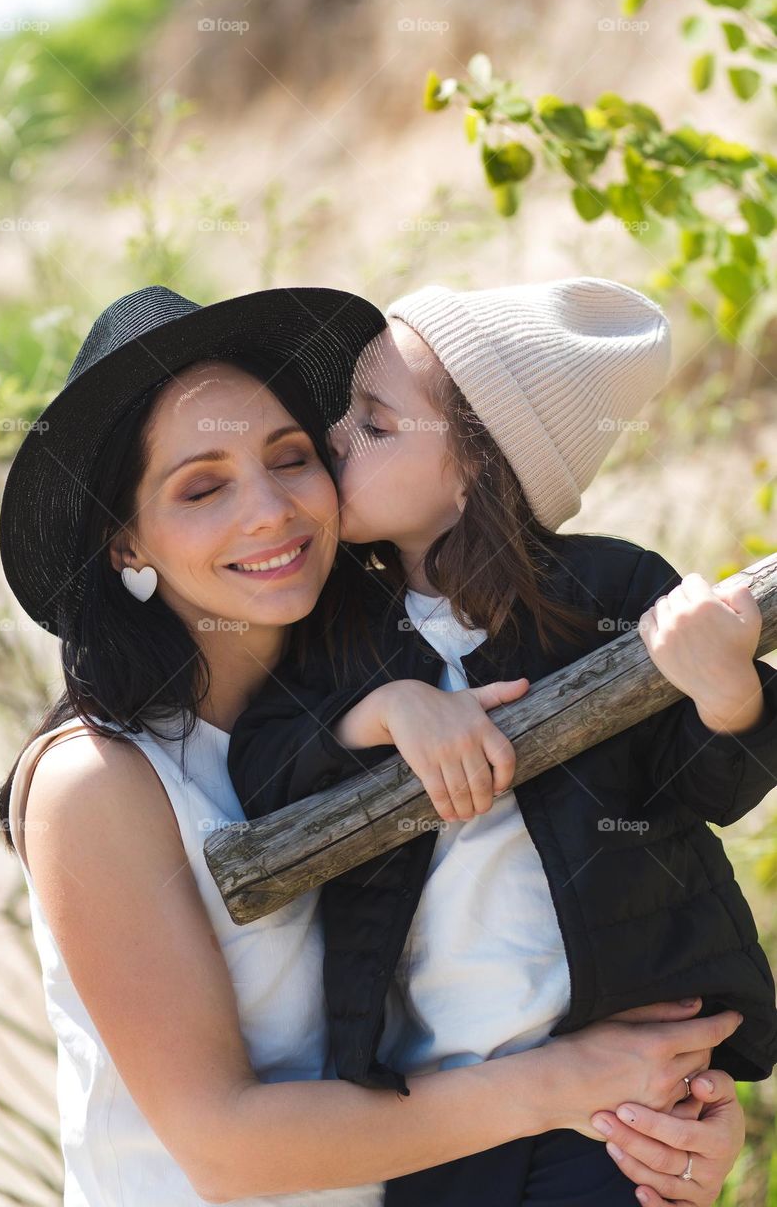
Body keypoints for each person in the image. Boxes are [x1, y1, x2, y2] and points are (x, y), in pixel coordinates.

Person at [227, 277, 777, 1205]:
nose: (333, 437)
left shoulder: (606, 592)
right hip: (437, 1098)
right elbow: (263, 764)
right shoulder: (337, 623)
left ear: (475, 463)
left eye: (373, 419)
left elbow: (702, 788)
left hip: (616, 1081)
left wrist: (726, 689)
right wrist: (387, 709)